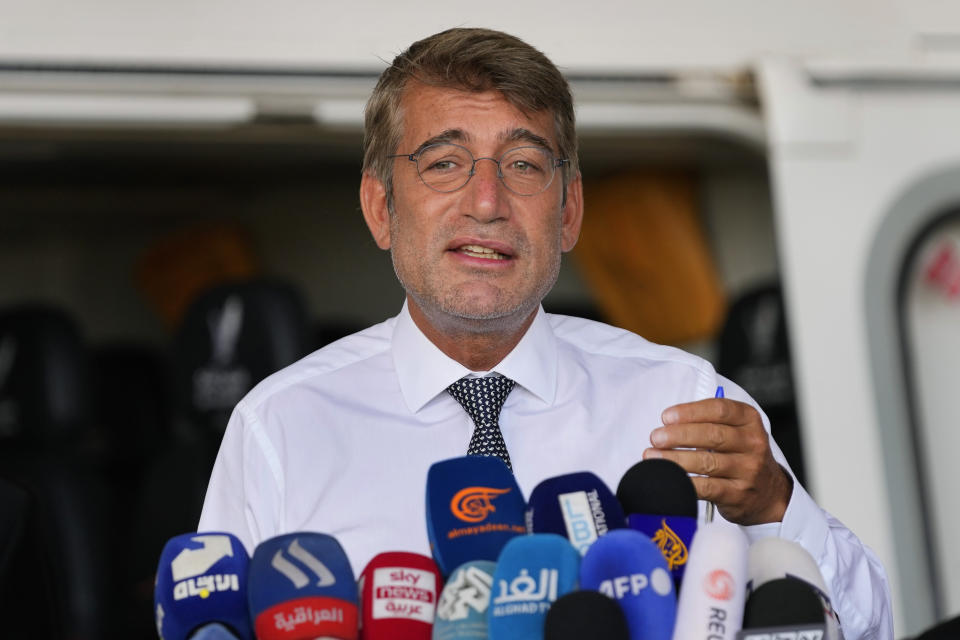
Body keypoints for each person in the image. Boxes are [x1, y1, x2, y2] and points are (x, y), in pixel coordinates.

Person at [198, 27, 892, 638]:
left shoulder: (684, 398)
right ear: (381, 209)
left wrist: (774, 505)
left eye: (525, 165)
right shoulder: (280, 429)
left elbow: (871, 630)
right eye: (445, 162)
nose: (488, 202)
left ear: (567, 213)